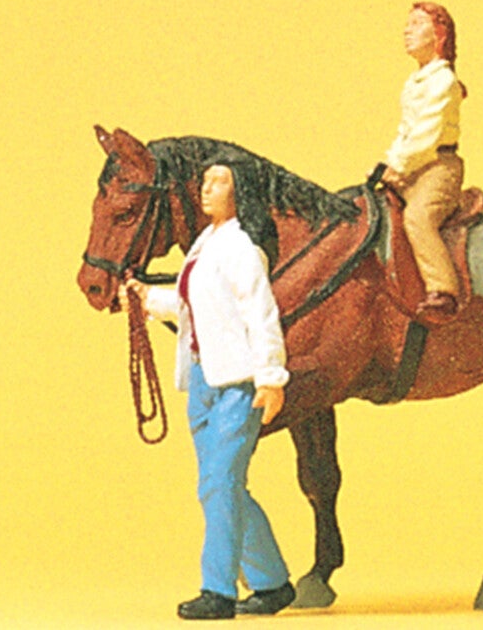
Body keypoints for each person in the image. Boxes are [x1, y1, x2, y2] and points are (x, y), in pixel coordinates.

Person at [124, 157, 295, 620]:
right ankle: (271, 582)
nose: (206, 188)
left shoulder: (242, 248)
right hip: (203, 377)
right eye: (205, 181)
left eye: (219, 182)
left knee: (218, 484)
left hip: (238, 382)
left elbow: (262, 315)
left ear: (240, 193)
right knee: (222, 487)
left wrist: (270, 377)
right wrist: (148, 299)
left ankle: (217, 590)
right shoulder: (205, 244)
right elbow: (194, 306)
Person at [368, 1, 467, 320]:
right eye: (407, 24)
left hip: (437, 168)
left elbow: (427, 134)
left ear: (439, 34)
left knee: (418, 218)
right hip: (414, 165)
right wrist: (388, 163)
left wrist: (398, 166)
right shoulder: (414, 82)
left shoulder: (443, 81)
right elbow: (406, 132)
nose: (406, 31)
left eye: (417, 24)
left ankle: (443, 291)